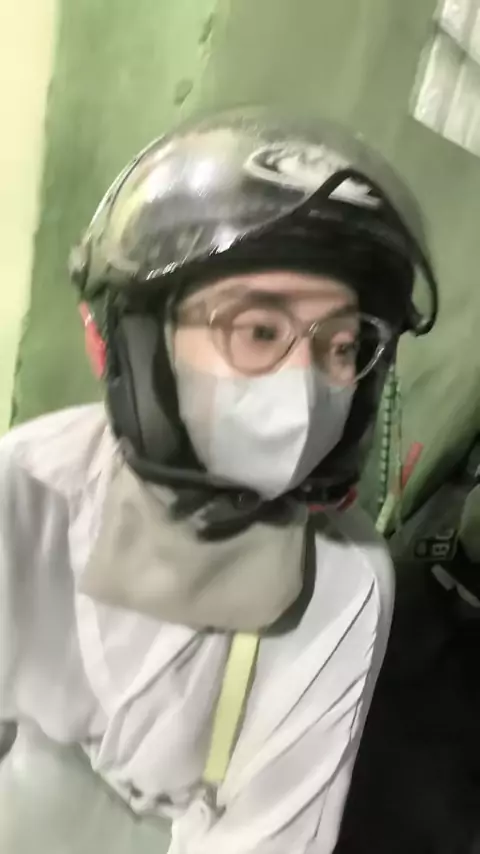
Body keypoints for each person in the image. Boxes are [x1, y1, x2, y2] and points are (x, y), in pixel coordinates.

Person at [0, 108, 438, 853]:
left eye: (341, 344)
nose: (305, 385)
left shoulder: (344, 582)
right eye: (259, 330)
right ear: (134, 343)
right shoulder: (26, 488)